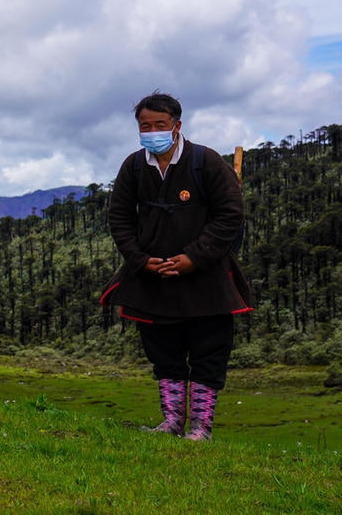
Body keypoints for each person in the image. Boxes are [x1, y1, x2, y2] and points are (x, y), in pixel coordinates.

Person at [99, 92, 251, 440]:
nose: (152, 132)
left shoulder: (206, 162)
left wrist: (194, 258)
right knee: (163, 352)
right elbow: (119, 218)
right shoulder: (134, 167)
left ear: (177, 125)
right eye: (145, 126)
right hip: (153, 278)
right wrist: (140, 260)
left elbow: (230, 215)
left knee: (209, 352)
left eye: (160, 125)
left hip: (206, 279)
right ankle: (171, 423)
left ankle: (201, 427)